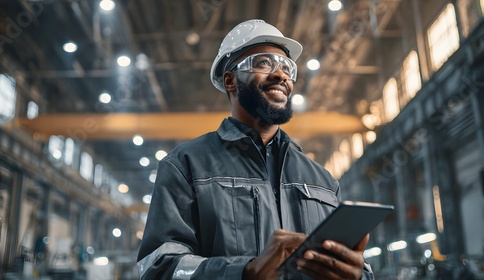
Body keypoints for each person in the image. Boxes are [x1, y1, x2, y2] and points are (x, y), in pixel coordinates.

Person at [137, 19, 374, 279]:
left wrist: (359, 275)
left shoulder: (323, 181)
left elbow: (350, 263)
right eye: (263, 63)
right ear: (230, 80)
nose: (281, 75)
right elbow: (158, 268)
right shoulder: (185, 166)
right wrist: (245, 271)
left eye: (287, 67)